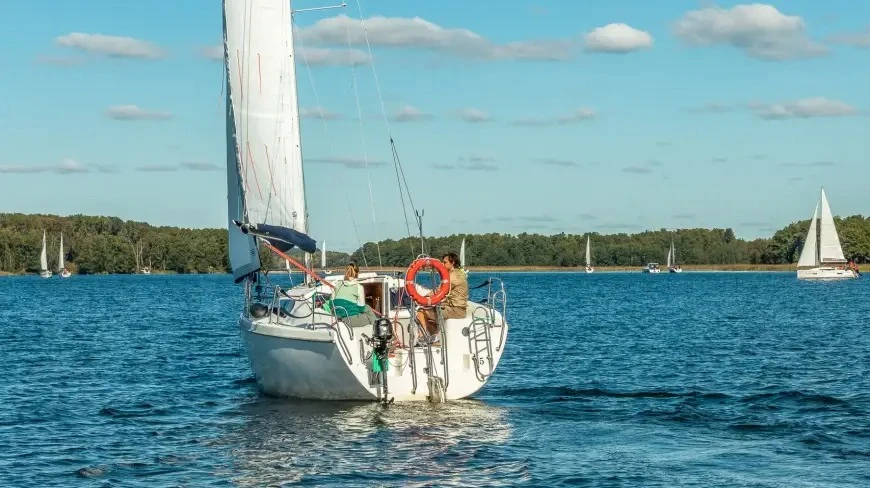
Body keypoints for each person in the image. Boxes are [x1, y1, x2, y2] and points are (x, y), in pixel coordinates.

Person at [416, 252, 468, 341]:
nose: (443, 264)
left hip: (456, 310)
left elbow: (440, 290)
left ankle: (421, 337)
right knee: (428, 318)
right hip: (450, 307)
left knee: (421, 311)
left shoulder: (456, 276)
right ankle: (435, 339)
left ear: (453, 262)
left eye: (445, 262)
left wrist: (423, 297)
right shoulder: (452, 274)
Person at [327, 262, 378, 327]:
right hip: (349, 320)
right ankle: (377, 326)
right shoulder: (359, 287)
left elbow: (331, 303)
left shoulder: (337, 284)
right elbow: (361, 308)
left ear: (346, 272)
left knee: (366, 308)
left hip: (335, 317)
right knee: (368, 312)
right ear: (357, 273)